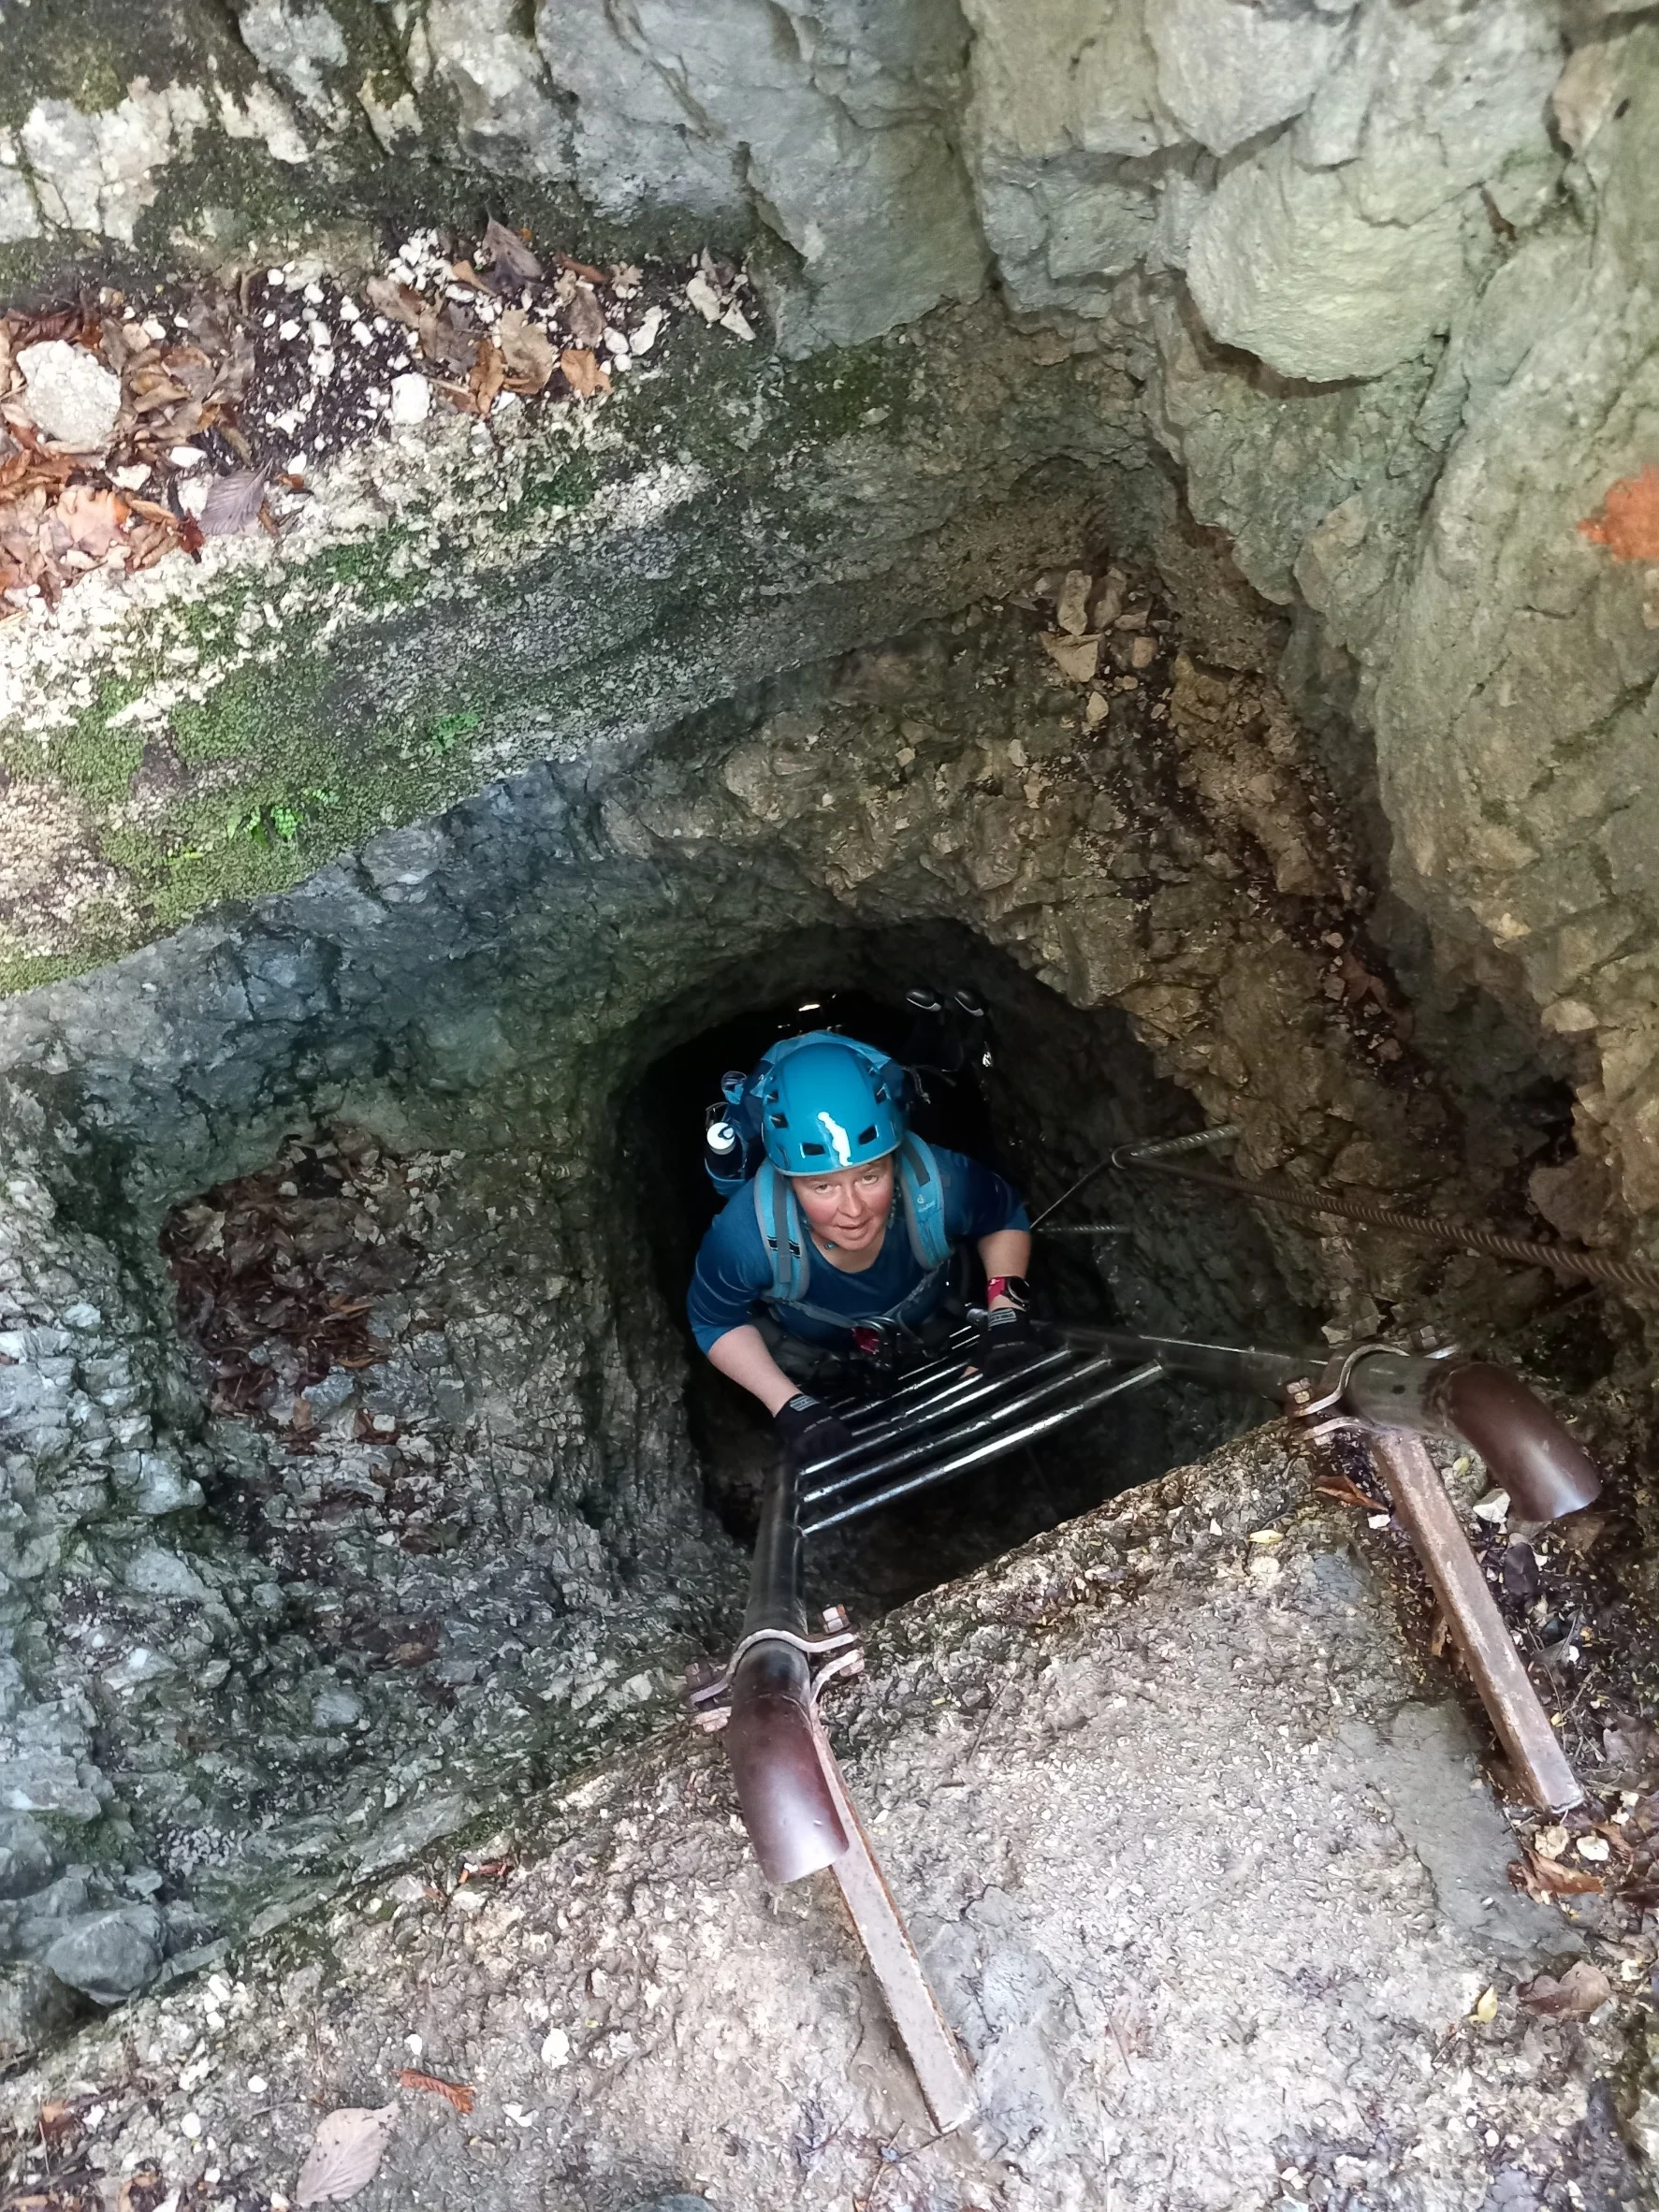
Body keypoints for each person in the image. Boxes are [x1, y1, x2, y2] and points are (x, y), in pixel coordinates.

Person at [687, 1032, 1033, 1465]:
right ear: (787, 1178)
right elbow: (713, 1321)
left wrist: (1005, 1311)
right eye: (823, 1185)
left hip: (937, 1325)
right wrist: (788, 1403)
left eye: (870, 1176)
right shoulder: (748, 1236)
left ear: (893, 1159)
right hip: (821, 1362)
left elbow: (1002, 1217)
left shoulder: (940, 1184)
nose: (852, 1209)